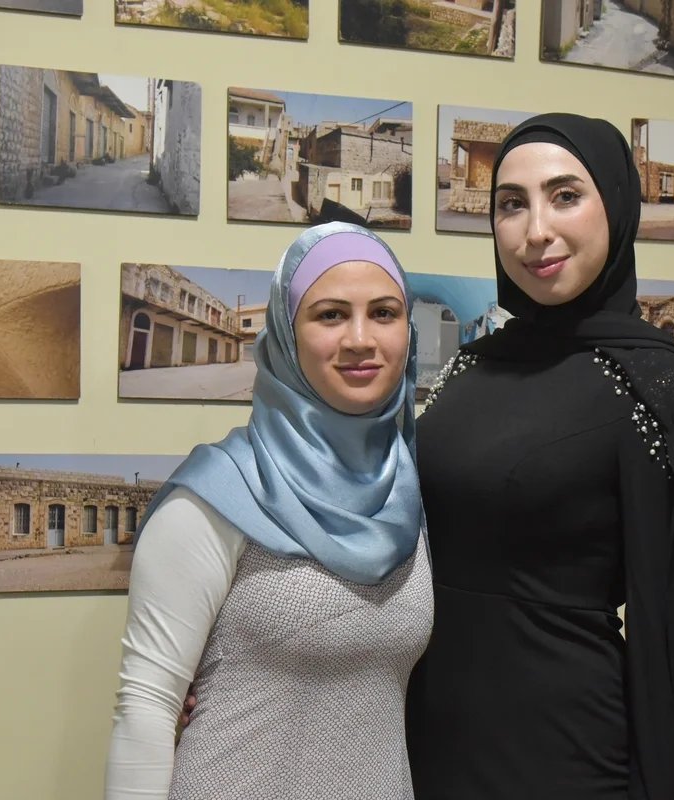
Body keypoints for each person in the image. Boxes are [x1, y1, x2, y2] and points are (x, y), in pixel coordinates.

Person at [404, 113, 674, 800]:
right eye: (512, 204)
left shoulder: (662, 384)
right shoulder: (471, 368)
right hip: (430, 739)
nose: (535, 230)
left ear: (616, 206)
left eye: (565, 196)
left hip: (564, 756)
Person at [104, 222, 433, 799]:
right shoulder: (216, 494)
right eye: (330, 315)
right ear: (285, 333)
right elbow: (146, 710)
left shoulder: (407, 494)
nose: (361, 339)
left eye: (384, 313)